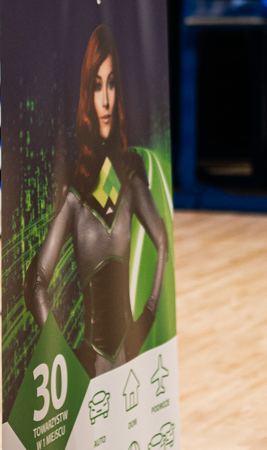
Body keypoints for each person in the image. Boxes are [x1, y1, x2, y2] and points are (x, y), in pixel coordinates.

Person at [24, 25, 169, 377]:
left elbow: (162, 240)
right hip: (91, 371)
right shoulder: (74, 187)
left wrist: (148, 315)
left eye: (112, 84)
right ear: (87, 94)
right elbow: (36, 282)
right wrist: (65, 358)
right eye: (97, 85)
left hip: (131, 364)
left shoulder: (130, 172)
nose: (105, 100)